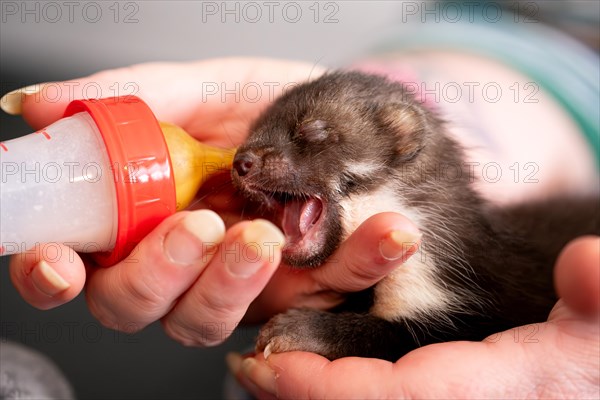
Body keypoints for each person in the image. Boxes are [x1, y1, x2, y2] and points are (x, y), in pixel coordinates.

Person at [2, 58, 598, 398]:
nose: (248, 160)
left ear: (400, 142)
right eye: (255, 142)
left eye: (312, 136)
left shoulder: (447, 264)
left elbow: (426, 332)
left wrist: (332, 333)